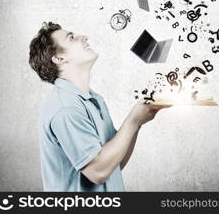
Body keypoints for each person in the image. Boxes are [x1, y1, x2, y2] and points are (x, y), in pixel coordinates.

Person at [29, 22, 168, 191]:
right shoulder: (65, 108)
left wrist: (138, 122)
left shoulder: (94, 99)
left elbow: (113, 165)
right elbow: (98, 172)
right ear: (59, 59)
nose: (84, 37)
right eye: (71, 38)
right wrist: (133, 120)